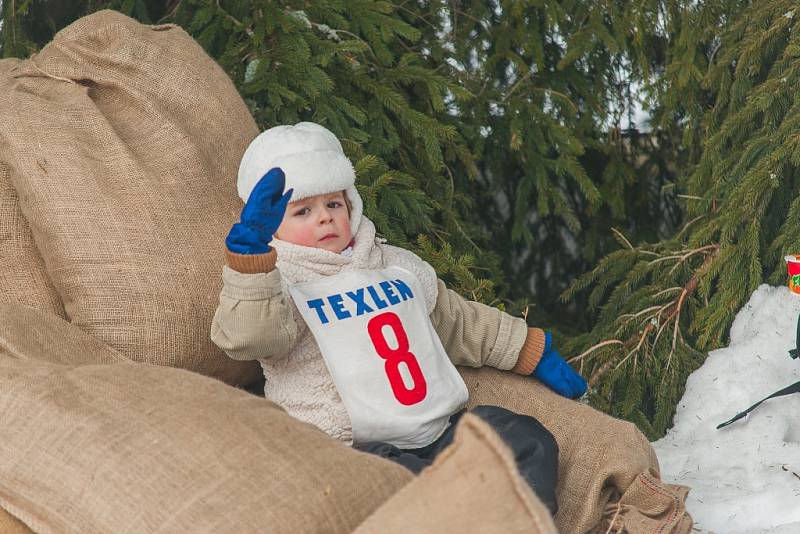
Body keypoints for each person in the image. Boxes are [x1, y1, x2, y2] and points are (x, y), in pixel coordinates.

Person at [211, 122, 587, 514]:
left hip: (437, 429)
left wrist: (529, 348)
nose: (324, 218)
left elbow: (457, 321)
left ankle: (516, 524)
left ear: (352, 203)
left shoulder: (397, 266)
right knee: (401, 487)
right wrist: (252, 264)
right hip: (352, 447)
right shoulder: (281, 283)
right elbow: (251, 337)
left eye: (333, 204)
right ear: (270, 226)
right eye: (303, 210)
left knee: (527, 439)